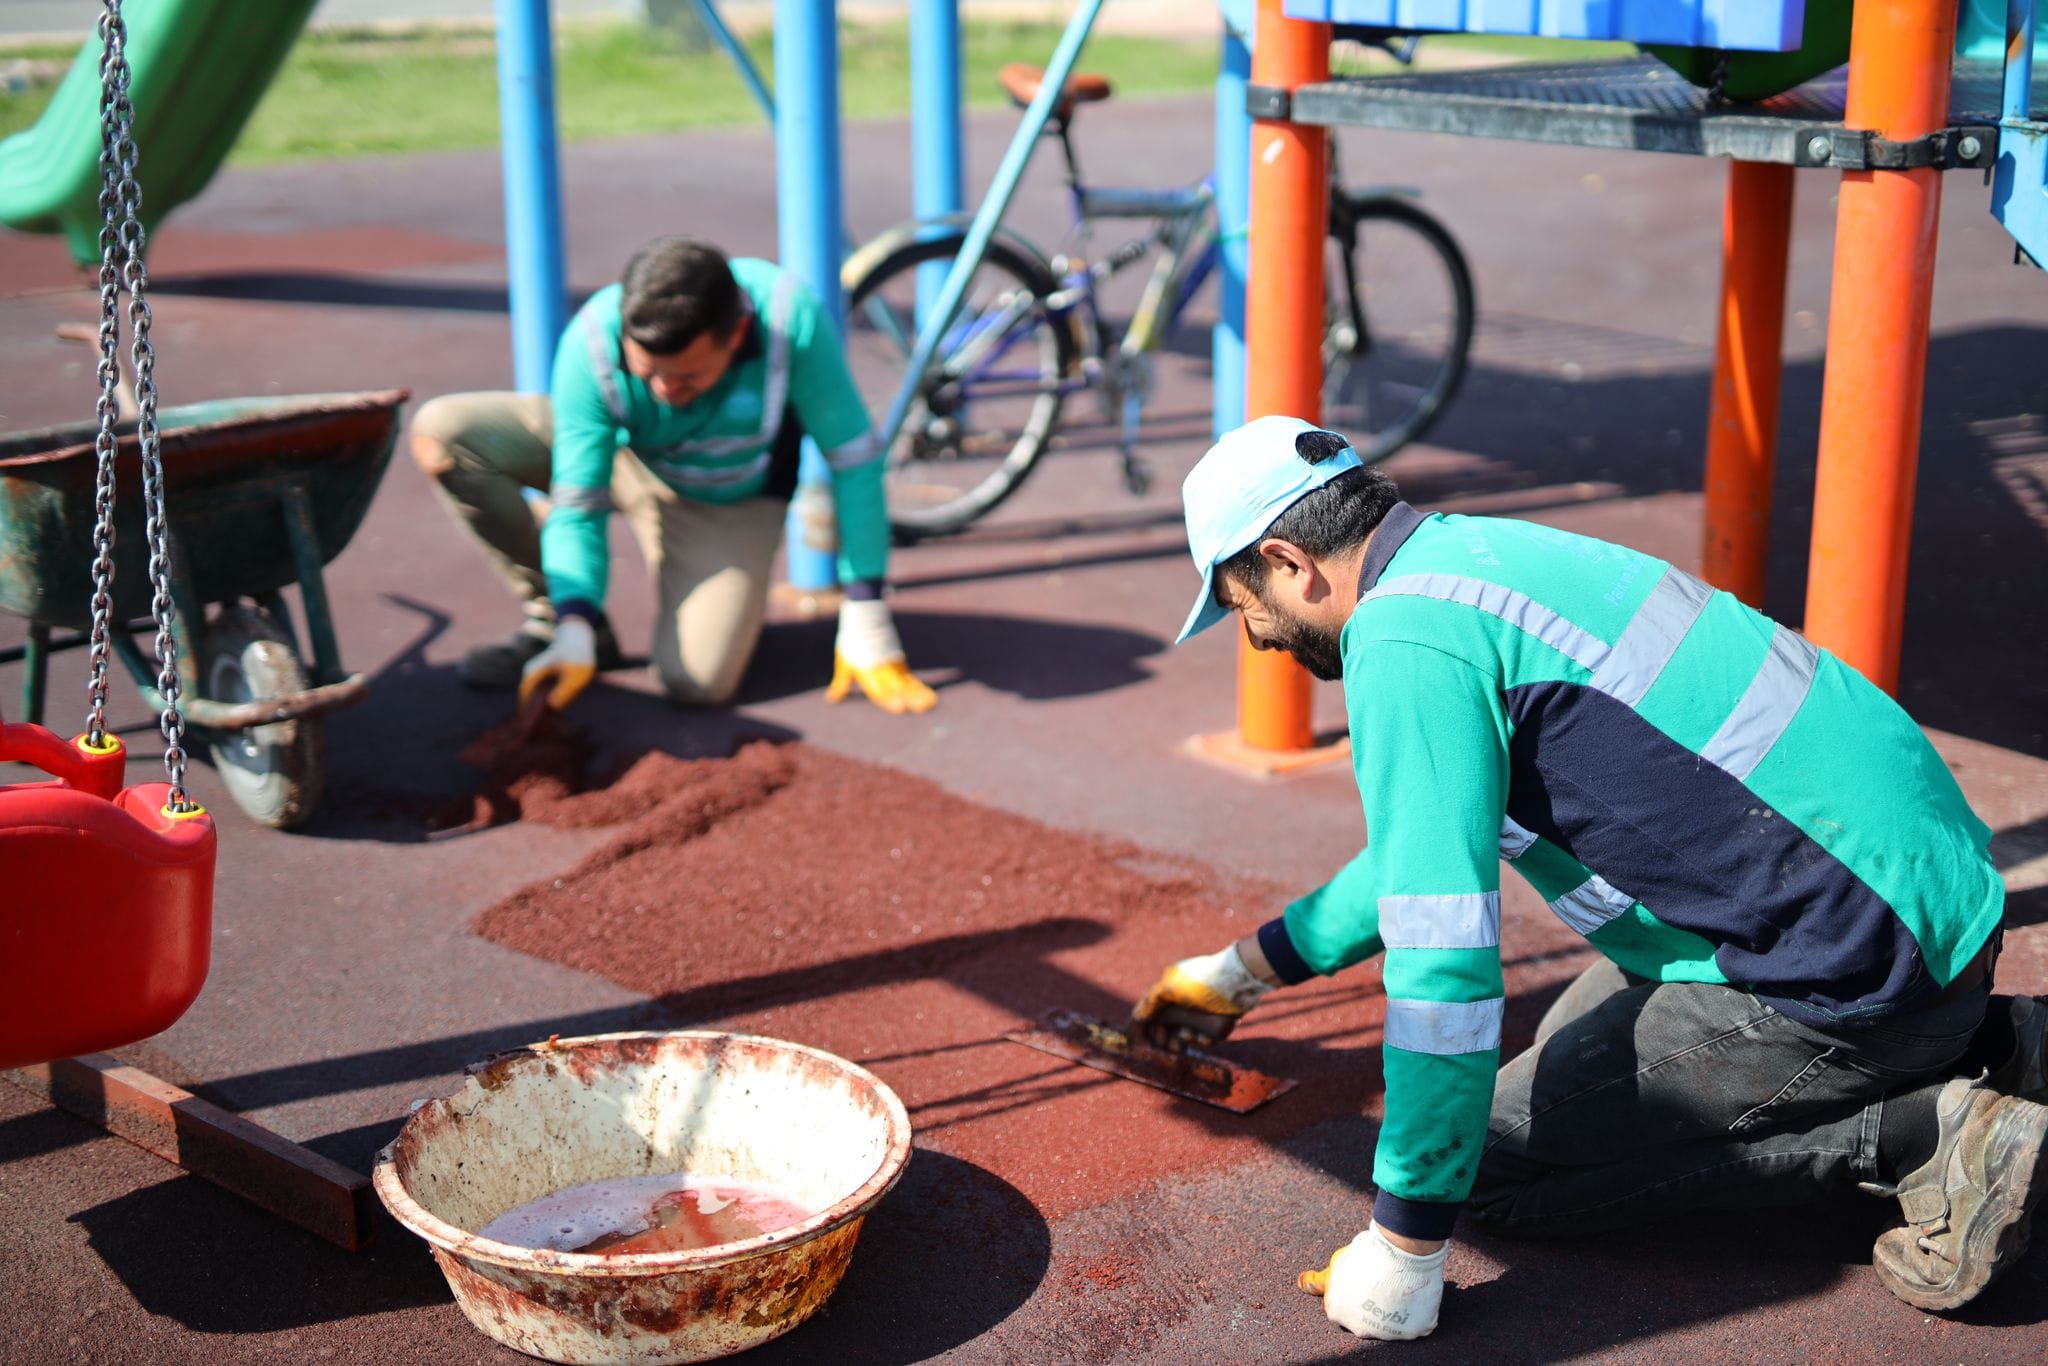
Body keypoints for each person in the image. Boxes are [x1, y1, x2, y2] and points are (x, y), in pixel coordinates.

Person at [1133, 415, 2040, 1342]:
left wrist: (1406, 1244)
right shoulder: (1478, 553)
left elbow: (1440, 963)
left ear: (1291, 561)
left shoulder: (1403, 642)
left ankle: (1929, 1132)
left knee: (1487, 1168)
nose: (1252, 636)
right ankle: (1997, 1041)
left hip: (1853, 975)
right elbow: (1422, 858)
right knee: (1550, 1078)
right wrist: (1243, 970)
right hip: (1928, 903)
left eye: (1243, 601)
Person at [410, 235, 935, 715]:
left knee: (697, 684)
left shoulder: (787, 320)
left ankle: (656, 598)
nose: (664, 390)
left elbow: (855, 460)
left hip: (724, 497)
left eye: (686, 376)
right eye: (647, 371)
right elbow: (578, 501)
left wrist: (865, 603)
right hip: (624, 454)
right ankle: (563, 624)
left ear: (736, 337)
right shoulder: (592, 343)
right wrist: (575, 619)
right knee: (448, 433)